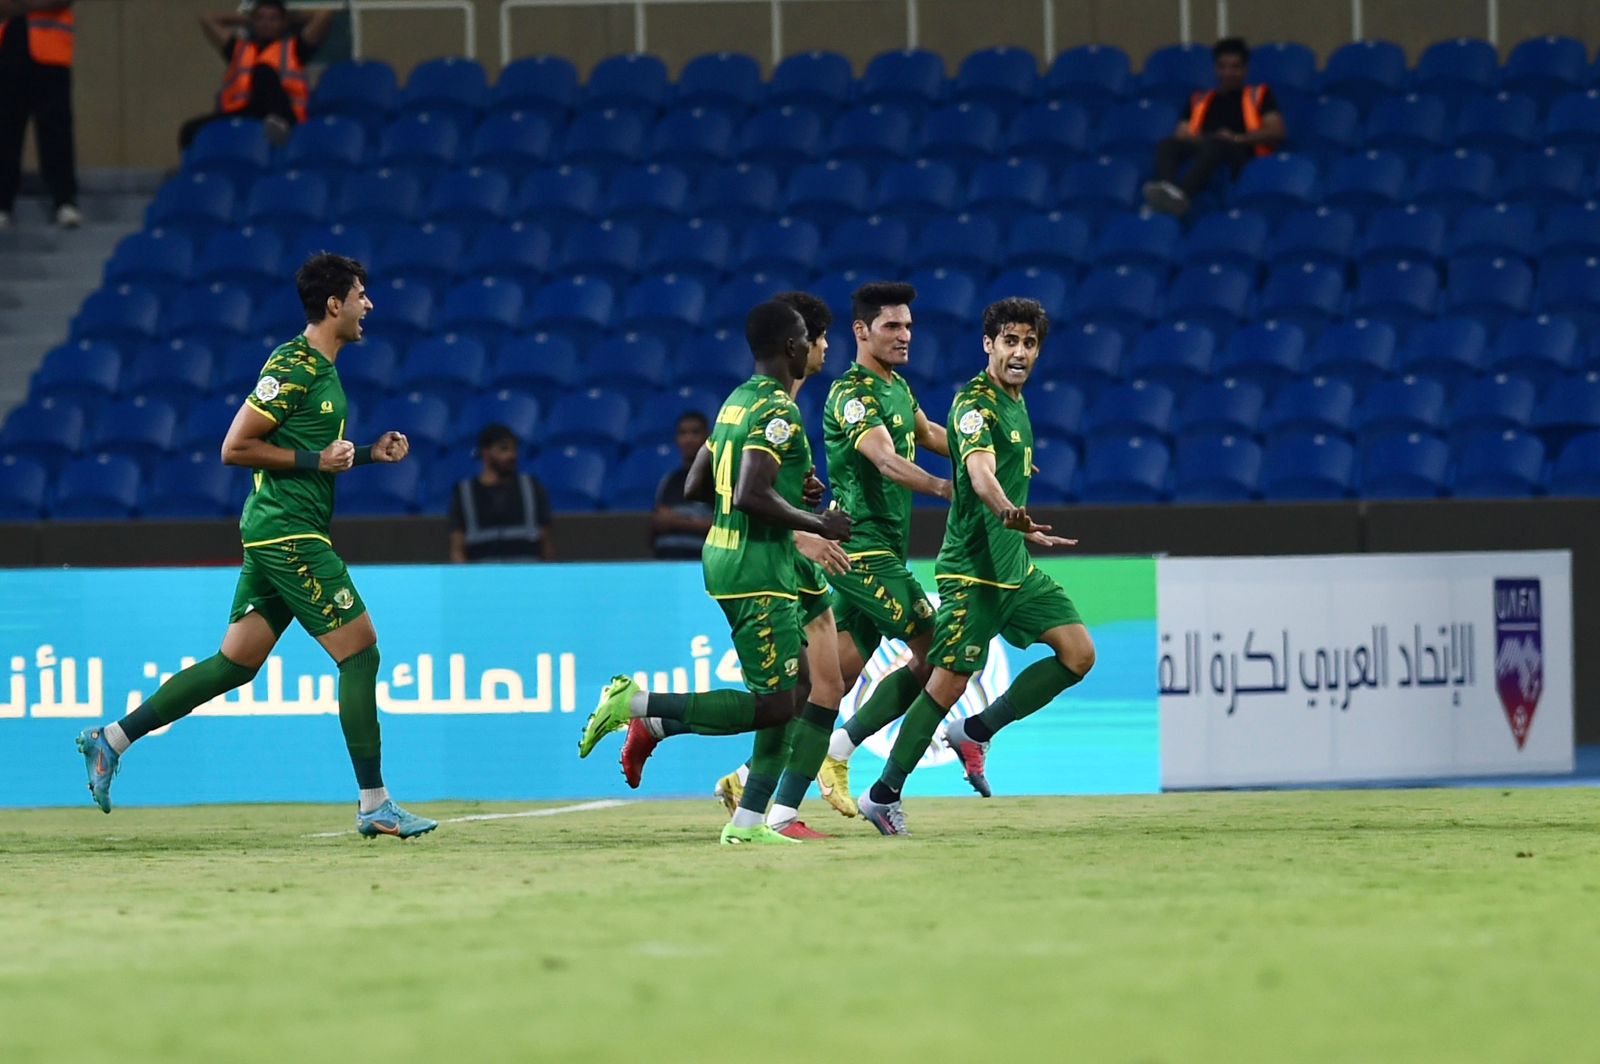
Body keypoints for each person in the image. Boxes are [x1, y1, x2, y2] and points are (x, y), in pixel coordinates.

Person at [74, 252, 438, 840]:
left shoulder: (323, 370)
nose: (369, 305)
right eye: (360, 295)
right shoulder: (292, 365)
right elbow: (235, 447)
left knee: (235, 664)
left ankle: (111, 739)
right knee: (360, 652)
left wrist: (370, 454)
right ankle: (375, 804)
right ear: (334, 305)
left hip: (282, 529)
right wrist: (315, 460)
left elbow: (313, 457)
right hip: (288, 532)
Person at [576, 300, 852, 846]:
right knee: (775, 703)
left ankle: (749, 823)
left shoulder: (736, 402)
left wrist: (786, 492)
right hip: (757, 567)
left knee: (796, 688)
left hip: (730, 556)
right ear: (790, 347)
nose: (810, 345)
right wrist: (818, 521)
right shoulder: (778, 409)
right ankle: (637, 705)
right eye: (804, 338)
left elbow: (698, 484)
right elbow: (748, 492)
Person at [710, 282, 956, 824]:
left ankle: (748, 779)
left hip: (884, 549)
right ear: (861, 331)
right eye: (892, 326)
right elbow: (886, 460)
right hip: (861, 552)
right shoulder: (852, 394)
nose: (905, 335)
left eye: (909, 326)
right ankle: (840, 752)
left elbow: (930, 434)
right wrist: (946, 488)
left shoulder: (897, 388)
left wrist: (983, 451)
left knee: (828, 682)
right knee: (940, 650)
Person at [856, 298, 1095, 837]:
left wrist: (1020, 527)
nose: (1019, 352)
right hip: (972, 573)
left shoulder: (1016, 403)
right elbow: (980, 473)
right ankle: (882, 794)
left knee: (1079, 654)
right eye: (1009, 341)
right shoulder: (974, 404)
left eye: (1029, 343)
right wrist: (1007, 509)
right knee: (946, 684)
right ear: (989, 345)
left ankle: (978, 730)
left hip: (1015, 570)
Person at [1143, 37, 1284, 218]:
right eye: (1222, 67)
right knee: (1168, 145)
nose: (1228, 72)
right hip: (1205, 145)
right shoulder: (1199, 99)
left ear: (1245, 69)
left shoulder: (1260, 95)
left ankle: (1183, 194)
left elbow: (1276, 131)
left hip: (1241, 152)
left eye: (1235, 67)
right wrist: (1205, 139)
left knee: (1217, 144)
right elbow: (1182, 133)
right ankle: (1166, 192)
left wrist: (1236, 138)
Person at [180, 0, 333, 151]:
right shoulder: (238, 49)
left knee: (262, 72)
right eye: (260, 18)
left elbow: (324, 15)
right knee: (190, 130)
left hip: (284, 114)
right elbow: (207, 19)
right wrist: (248, 20)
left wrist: (289, 20)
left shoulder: (295, 48)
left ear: (283, 23)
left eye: (273, 19)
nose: (266, 23)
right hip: (245, 113)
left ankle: (281, 128)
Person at [0, 0, 80, 229]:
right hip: (7, 49)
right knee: (6, 130)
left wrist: (19, 5)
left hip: (51, 53)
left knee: (56, 129)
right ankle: (3, 204)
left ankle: (64, 200)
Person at [448, 424, 554, 563]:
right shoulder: (464, 493)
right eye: (504, 449)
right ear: (485, 453)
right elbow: (457, 549)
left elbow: (546, 544)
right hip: (482, 574)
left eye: (514, 449)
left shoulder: (532, 488)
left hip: (526, 573)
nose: (512, 455)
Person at [650, 411, 713, 560]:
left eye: (695, 432)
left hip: (698, 562)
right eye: (683, 433)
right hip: (665, 561)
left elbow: (724, 528)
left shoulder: (717, 479)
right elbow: (656, 526)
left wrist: (677, 523)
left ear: (708, 438)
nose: (688, 439)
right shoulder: (668, 480)